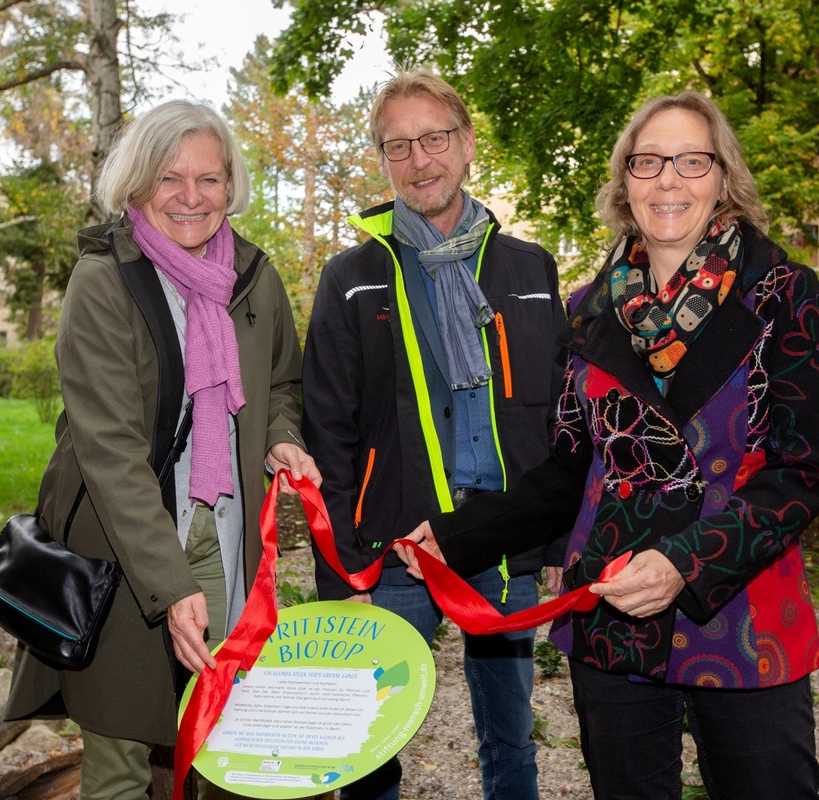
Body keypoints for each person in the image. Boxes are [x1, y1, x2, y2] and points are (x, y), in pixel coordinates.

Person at [397, 91, 819, 800]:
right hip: (612, 615)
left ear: (723, 177)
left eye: (691, 161)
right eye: (648, 162)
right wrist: (454, 538)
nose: (668, 180)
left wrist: (684, 563)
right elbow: (571, 469)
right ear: (624, 181)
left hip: (742, 611)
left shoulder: (781, 293)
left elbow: (804, 471)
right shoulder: (589, 308)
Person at [3, 99, 320, 799]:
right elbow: (109, 450)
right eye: (171, 178)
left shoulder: (255, 277)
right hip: (122, 543)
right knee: (120, 751)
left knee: (222, 738)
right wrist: (171, 586)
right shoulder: (104, 280)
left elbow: (280, 384)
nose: (191, 197)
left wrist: (282, 440)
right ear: (137, 182)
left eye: (209, 180)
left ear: (230, 186)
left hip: (227, 528)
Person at [301, 70, 565, 800]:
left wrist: (560, 544)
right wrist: (343, 572)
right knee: (370, 743)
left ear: (468, 143)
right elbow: (328, 427)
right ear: (384, 161)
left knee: (511, 737)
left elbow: (562, 422)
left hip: (505, 542)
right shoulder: (352, 277)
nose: (420, 160)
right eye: (399, 146)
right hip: (395, 548)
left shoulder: (530, 268)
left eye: (434, 139)